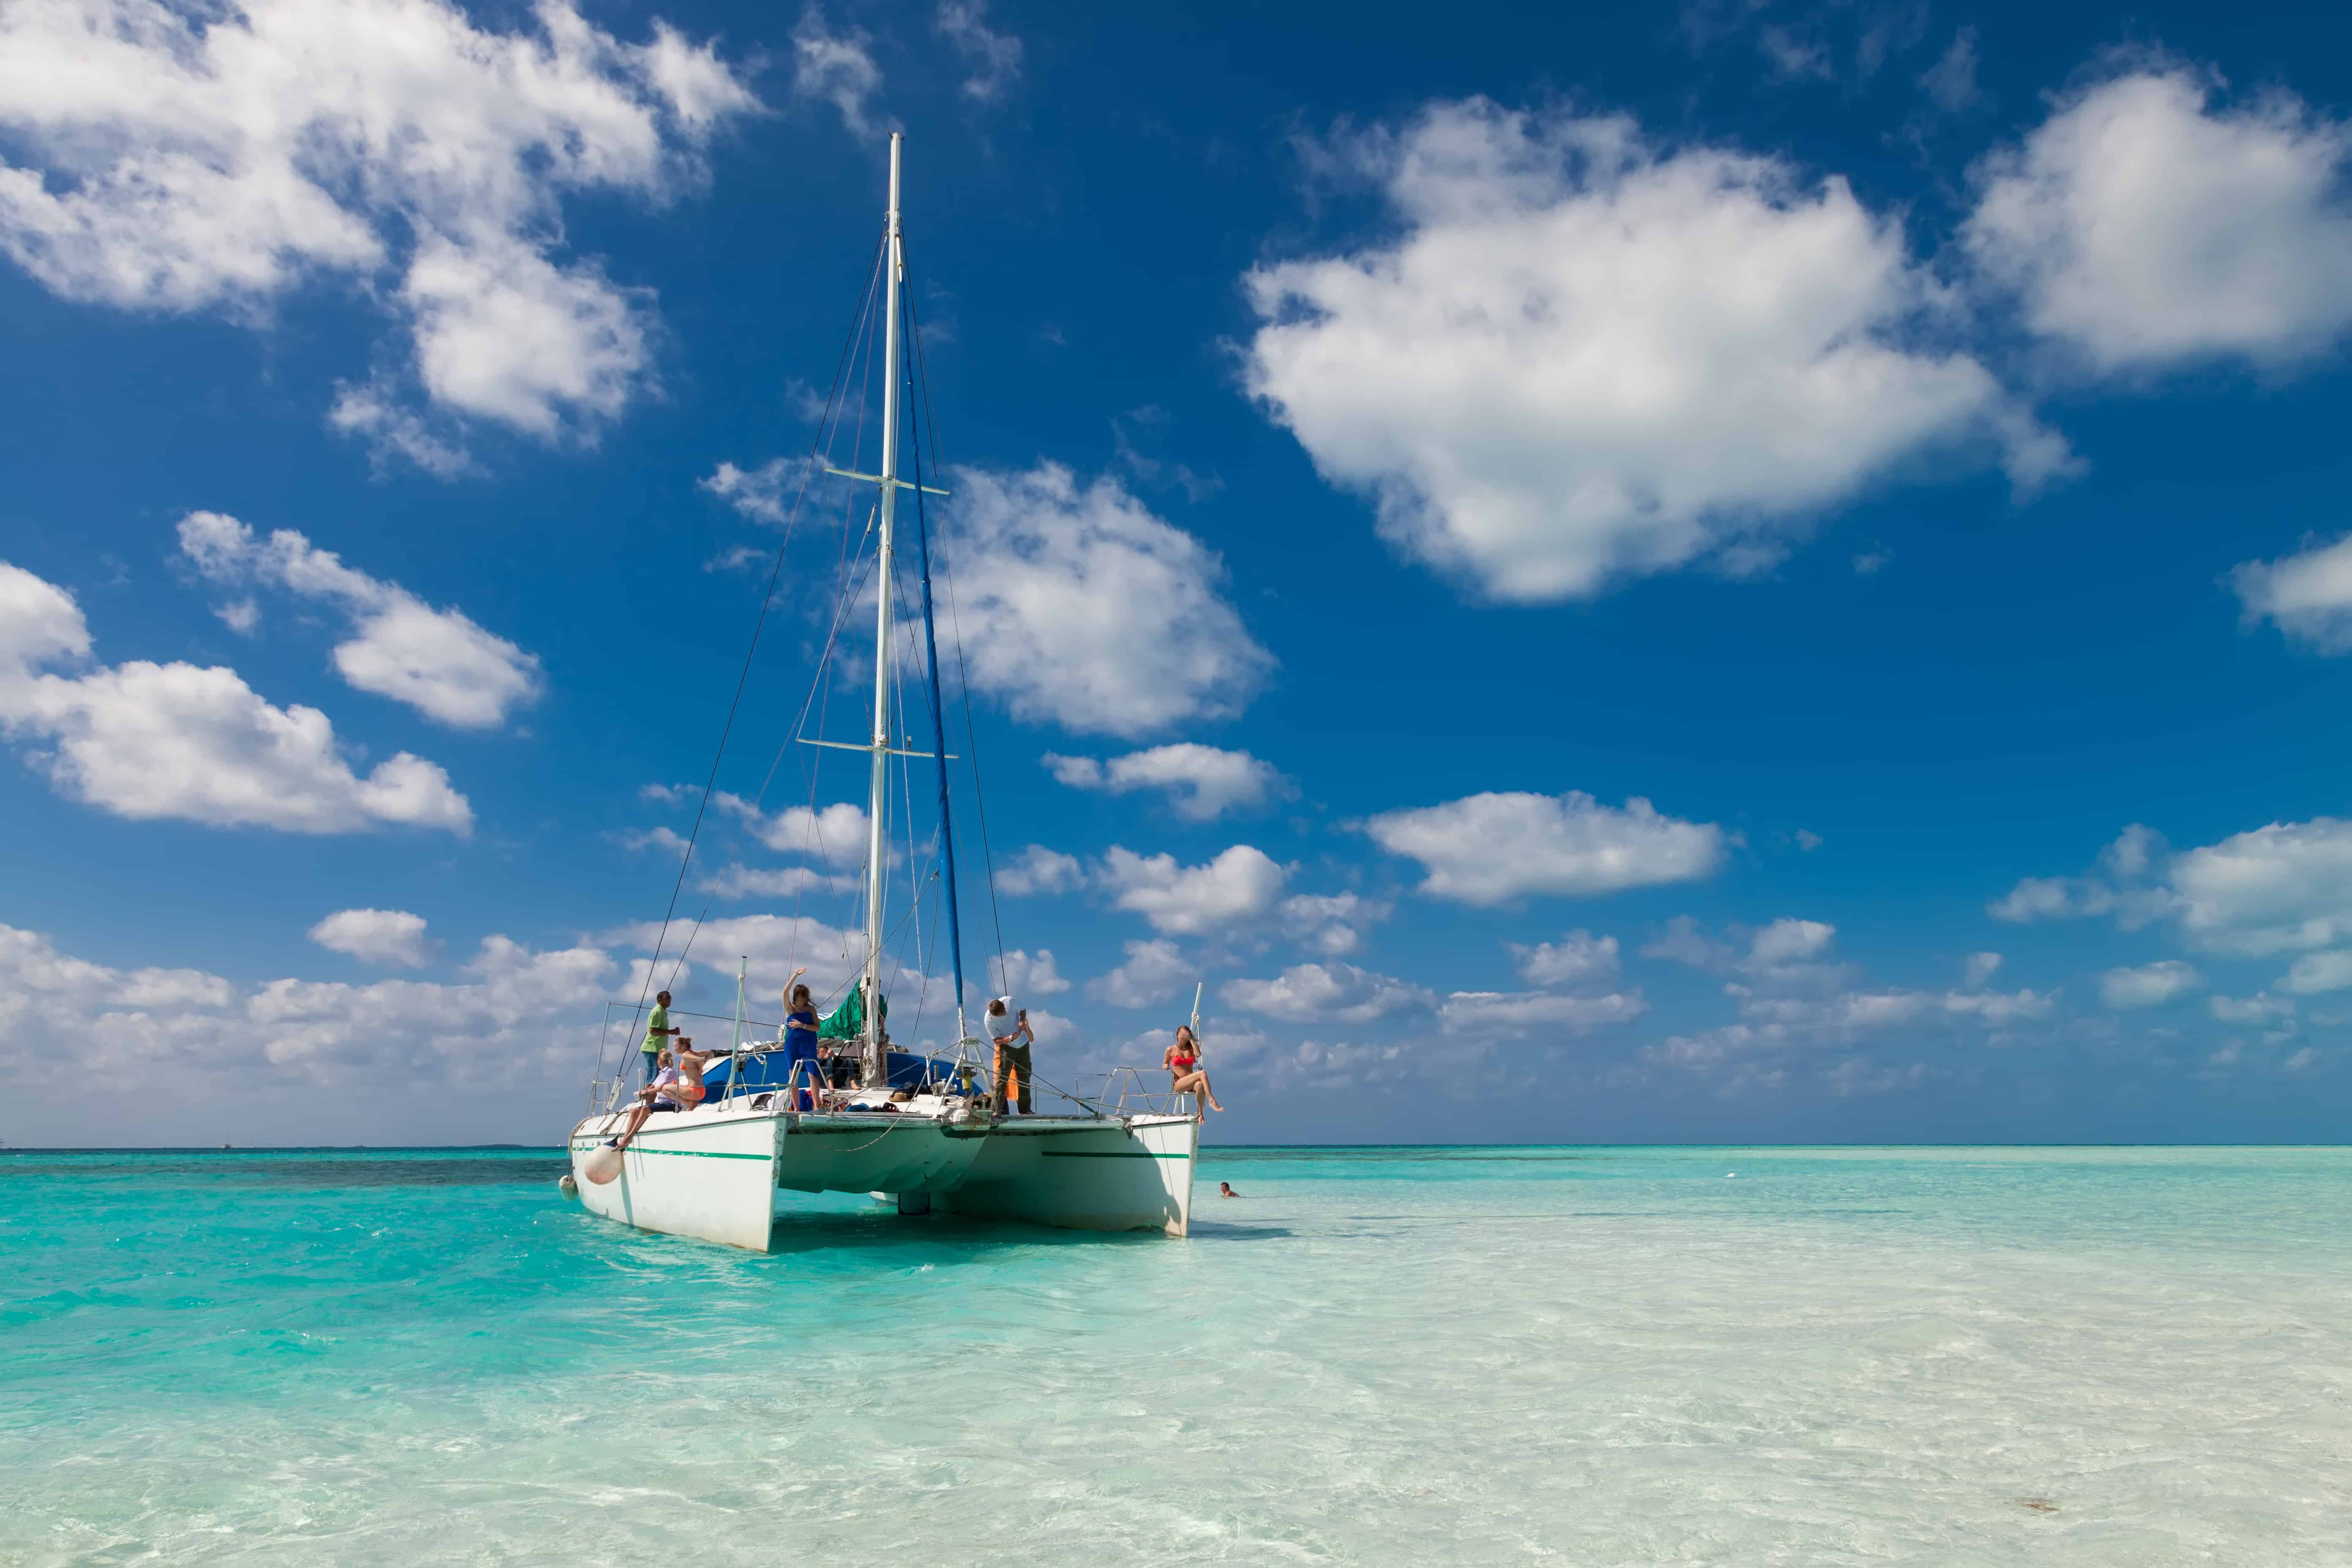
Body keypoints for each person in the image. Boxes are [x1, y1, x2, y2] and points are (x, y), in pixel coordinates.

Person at [780, 969, 822, 1110]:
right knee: (793, 1076)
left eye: (805, 997)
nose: (804, 1000)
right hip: (793, 1045)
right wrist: (795, 976)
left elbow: (817, 1028)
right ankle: (796, 1108)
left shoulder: (810, 1010)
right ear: (796, 996)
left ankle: (817, 1106)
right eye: (802, 997)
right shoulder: (790, 1008)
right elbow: (785, 993)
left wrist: (802, 1025)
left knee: (813, 1075)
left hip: (809, 1044)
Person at [984, 995, 1033, 1115]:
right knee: (1002, 1078)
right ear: (994, 1016)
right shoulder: (989, 1020)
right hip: (1007, 1047)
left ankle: (1025, 1109)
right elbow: (996, 1040)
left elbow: (1023, 1011)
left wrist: (1022, 1021)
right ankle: (996, 1110)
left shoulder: (1009, 1001)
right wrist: (1010, 1038)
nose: (1006, 1014)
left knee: (1024, 1077)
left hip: (1023, 1045)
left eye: (1005, 1011)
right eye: (1003, 1014)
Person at [1164, 1024, 1225, 1113]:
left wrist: (1191, 1039)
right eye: (1183, 1034)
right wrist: (1166, 1066)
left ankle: (1200, 1113)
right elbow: (1165, 1063)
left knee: (1200, 1084)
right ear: (1177, 1035)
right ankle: (1211, 1100)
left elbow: (1199, 1054)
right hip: (1179, 1084)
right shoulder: (1171, 1050)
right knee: (1202, 1073)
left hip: (1191, 1084)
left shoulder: (1191, 1049)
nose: (1184, 1036)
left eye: (1187, 1035)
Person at [641, 991, 681, 1084]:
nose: (670, 1000)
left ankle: (651, 1098)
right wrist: (671, 1032)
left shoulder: (662, 1012)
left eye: (670, 998)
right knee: (653, 1078)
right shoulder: (658, 1011)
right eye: (668, 998)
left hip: (658, 1049)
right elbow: (653, 1031)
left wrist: (672, 1032)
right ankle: (648, 1098)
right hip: (653, 1048)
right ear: (660, 1000)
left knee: (658, 1077)